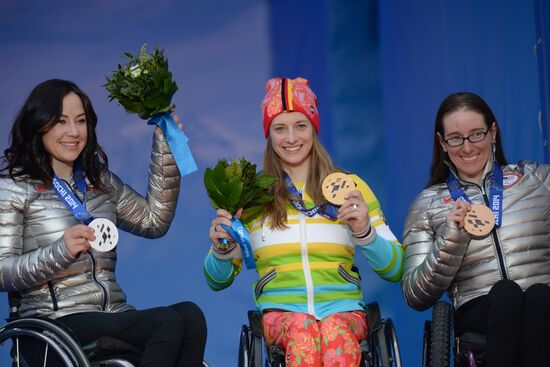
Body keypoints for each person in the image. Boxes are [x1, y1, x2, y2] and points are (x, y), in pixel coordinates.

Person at [0, 79, 207, 366]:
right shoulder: (14, 187)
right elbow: (2, 271)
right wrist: (61, 251)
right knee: (166, 323)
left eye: (81, 121)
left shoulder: (99, 181)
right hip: (54, 322)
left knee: (191, 316)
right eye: (61, 121)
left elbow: (153, 221)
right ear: (39, 125)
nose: (73, 132)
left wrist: (166, 150)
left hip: (112, 313)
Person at [204, 77, 403, 366]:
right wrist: (221, 249)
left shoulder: (350, 188)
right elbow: (215, 280)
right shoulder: (251, 197)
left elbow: (396, 268)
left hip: (344, 313)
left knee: (333, 328)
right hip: (281, 316)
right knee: (303, 329)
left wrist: (365, 233)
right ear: (269, 134)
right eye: (280, 128)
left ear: (314, 128)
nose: (291, 138)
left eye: (300, 125)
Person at [401, 92, 550, 367]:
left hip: (543, 304)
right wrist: (452, 235)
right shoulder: (427, 204)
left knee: (540, 296)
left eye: (476, 134)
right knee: (506, 293)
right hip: (479, 309)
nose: (467, 147)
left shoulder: (536, 179)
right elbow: (415, 294)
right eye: (456, 138)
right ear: (442, 143)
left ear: (492, 133)